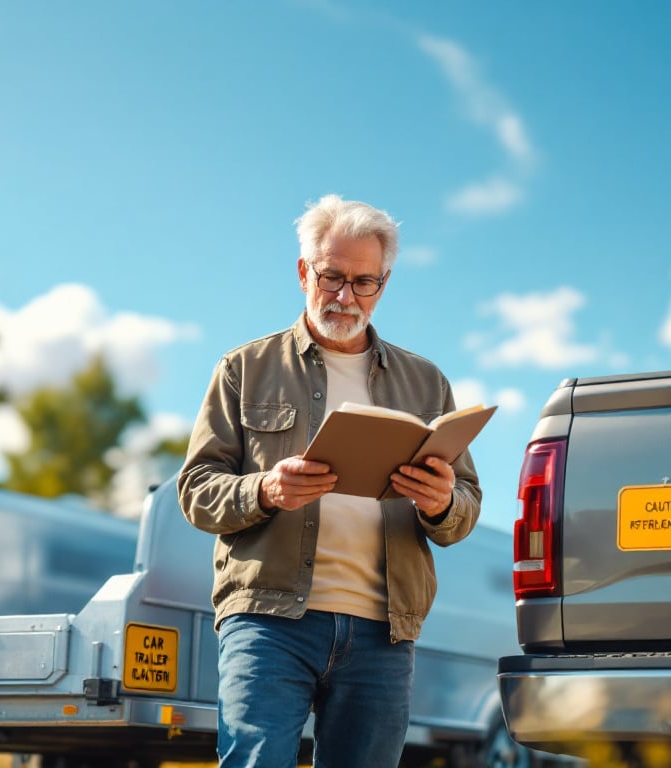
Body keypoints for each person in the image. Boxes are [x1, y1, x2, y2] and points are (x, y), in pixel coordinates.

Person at [178, 194, 482, 767]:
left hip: (382, 633)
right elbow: (196, 489)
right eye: (332, 277)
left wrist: (443, 503)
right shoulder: (244, 369)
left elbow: (465, 504)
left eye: (363, 282)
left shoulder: (427, 383)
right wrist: (264, 490)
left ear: (383, 283)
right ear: (303, 273)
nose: (345, 296)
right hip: (269, 621)